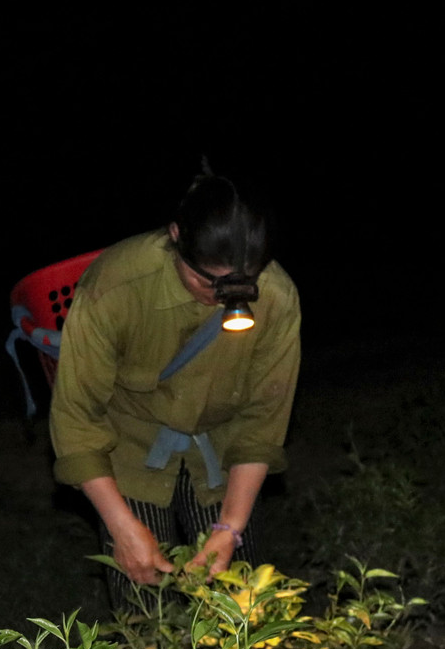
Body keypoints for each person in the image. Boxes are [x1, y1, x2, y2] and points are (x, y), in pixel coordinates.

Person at [49, 172, 300, 599]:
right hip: (129, 449)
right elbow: (77, 419)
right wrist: (122, 528)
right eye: (209, 283)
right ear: (176, 236)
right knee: (145, 610)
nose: (223, 299)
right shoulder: (115, 287)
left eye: (241, 286)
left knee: (238, 605)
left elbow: (262, 422)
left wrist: (231, 529)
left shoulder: (276, 298)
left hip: (222, 453)